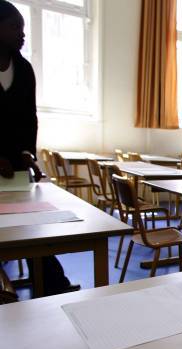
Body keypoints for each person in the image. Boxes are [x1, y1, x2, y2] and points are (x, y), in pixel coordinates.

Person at [0, 0, 79, 296]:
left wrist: (27, 154)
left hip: (17, 169)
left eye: (22, 27)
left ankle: (52, 287)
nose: (21, 33)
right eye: (14, 26)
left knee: (31, 229)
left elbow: (29, 119)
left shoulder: (24, 69)